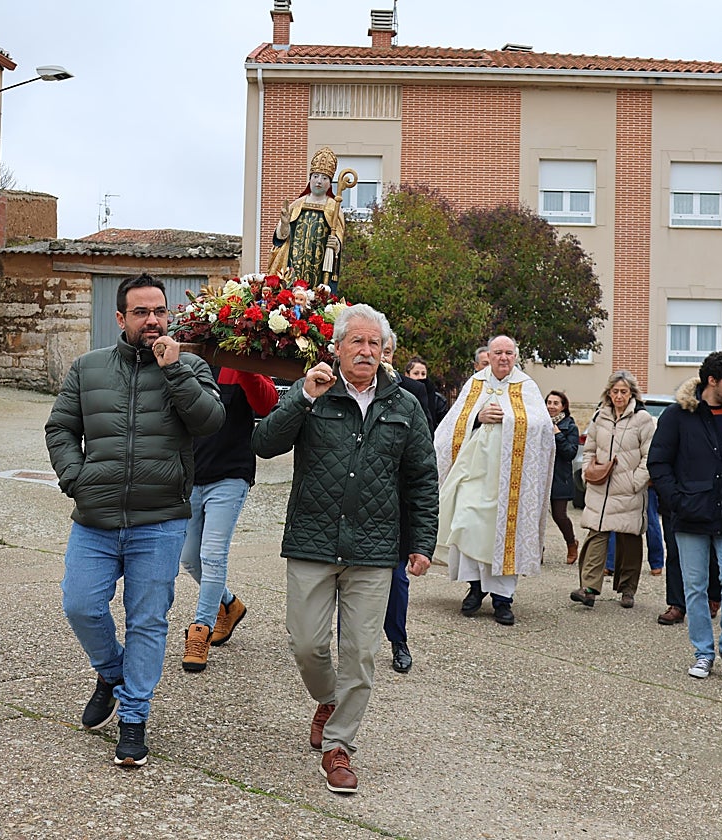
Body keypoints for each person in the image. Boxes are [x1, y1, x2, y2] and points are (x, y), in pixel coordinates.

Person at [251, 303, 438, 794]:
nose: (366, 350)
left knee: (361, 654)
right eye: (357, 341)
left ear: (384, 351)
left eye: (374, 343)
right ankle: (329, 698)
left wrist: (421, 542)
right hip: (313, 542)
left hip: (374, 550)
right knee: (308, 644)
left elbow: (421, 478)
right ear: (336, 348)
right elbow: (264, 443)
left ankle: (339, 746)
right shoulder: (313, 391)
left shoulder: (404, 405)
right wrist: (301, 399)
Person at [45, 273, 226, 767]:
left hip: (160, 519)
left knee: (147, 620)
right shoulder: (87, 369)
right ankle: (111, 671)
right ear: (121, 318)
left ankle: (133, 717)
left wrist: (175, 371)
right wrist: (75, 479)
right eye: (142, 312)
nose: (153, 321)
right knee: (81, 605)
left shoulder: (190, 366)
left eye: (160, 312)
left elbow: (210, 422)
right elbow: (60, 427)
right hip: (95, 518)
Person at [647, 351, 722, 683]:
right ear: (711, 381)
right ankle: (703, 652)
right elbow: (658, 462)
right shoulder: (677, 415)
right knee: (694, 587)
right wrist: (677, 500)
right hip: (691, 514)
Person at [435, 335, 554, 626]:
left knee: (503, 537)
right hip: (474, 476)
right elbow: (452, 424)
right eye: (498, 352)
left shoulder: (526, 386)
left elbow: (543, 428)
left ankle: (502, 601)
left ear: (516, 356)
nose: (503, 358)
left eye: (509, 353)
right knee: (468, 526)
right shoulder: (476, 383)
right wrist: (478, 416)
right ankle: (475, 590)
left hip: (509, 483)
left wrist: (510, 419)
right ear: (489, 354)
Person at [179, 365, 278, 673]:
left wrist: (246, 369)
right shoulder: (189, 362)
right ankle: (231, 605)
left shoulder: (240, 363)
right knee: (189, 559)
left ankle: (201, 630)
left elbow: (267, 403)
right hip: (193, 473)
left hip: (230, 474)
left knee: (212, 554)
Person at [571, 372, 655, 608]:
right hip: (600, 487)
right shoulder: (600, 417)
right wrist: (588, 472)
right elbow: (589, 449)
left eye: (624, 391)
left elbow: (650, 456)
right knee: (596, 535)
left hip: (628, 489)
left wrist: (635, 481)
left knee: (629, 540)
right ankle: (589, 588)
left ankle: (627, 590)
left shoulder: (643, 419)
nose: (619, 396)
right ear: (609, 393)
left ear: (632, 394)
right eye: (615, 391)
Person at [381, 332, 432, 674]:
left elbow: (421, 448)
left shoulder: (410, 392)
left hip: (396, 501)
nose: (379, 357)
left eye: (385, 350)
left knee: (397, 580)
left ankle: (398, 640)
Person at [266, 146, 346, 287]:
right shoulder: (297, 205)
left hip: (320, 267)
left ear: (330, 182)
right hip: (293, 264)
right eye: (315, 176)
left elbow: (338, 235)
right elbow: (281, 239)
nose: (319, 181)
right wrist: (284, 224)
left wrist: (336, 244)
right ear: (310, 179)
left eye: (324, 177)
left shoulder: (334, 207)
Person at [546, 390, 580, 563]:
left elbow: (570, 453)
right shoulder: (540, 423)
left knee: (559, 515)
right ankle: (537, 550)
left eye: (555, 403)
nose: (551, 406)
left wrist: (558, 434)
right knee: (536, 517)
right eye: (549, 402)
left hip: (560, 478)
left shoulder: (570, 426)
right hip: (541, 477)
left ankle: (571, 543)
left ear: (563, 406)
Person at [406, 355, 448, 428]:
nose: (420, 377)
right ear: (407, 375)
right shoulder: (400, 396)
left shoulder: (438, 400)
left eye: (423, 374)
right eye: (416, 373)